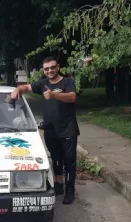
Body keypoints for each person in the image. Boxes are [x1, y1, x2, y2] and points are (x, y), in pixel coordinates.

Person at [10, 56, 79, 205]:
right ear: (44, 70)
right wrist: (17, 90)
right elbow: (26, 87)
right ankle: (59, 185)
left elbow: (72, 97)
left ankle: (70, 191)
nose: (50, 70)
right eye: (47, 68)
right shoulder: (43, 84)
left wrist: (54, 95)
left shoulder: (67, 82)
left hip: (67, 129)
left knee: (69, 161)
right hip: (50, 129)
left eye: (52, 67)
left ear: (58, 67)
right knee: (56, 159)